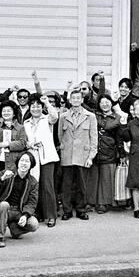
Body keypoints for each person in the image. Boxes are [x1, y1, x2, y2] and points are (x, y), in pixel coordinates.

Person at [59, 89, 98, 221]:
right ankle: (67, 210)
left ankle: (81, 209)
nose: (75, 100)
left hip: (83, 154)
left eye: (78, 98)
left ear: (82, 100)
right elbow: (60, 135)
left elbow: (94, 137)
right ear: (70, 100)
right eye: (73, 98)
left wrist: (91, 156)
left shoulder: (90, 116)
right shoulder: (63, 116)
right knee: (67, 184)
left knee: (82, 184)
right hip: (67, 154)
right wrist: (64, 147)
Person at [0, 152, 39, 247]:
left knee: (34, 224)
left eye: (27, 161)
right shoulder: (6, 173)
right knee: (4, 204)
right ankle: (0, 236)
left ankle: (15, 229)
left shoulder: (33, 182)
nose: (24, 163)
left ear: (31, 165)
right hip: (5, 209)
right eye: (22, 160)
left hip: (19, 211)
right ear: (17, 162)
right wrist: (2, 179)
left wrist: (25, 215)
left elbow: (32, 202)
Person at [24, 94, 59, 227]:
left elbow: (55, 116)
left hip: (47, 156)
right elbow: (24, 139)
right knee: (34, 185)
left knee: (47, 186)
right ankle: (37, 213)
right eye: (33, 106)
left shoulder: (47, 119)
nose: (36, 109)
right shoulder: (26, 123)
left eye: (38, 106)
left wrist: (47, 104)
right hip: (33, 156)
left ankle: (51, 215)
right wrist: (29, 145)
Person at [92, 94, 122, 214]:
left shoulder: (118, 117)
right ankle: (93, 201)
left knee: (107, 177)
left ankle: (104, 203)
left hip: (109, 149)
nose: (105, 104)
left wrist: (122, 154)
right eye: (102, 102)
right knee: (94, 178)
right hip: (95, 149)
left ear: (111, 103)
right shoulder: (94, 115)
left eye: (107, 101)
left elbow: (119, 136)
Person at [0, 101, 28, 183]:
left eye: (9, 111)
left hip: (11, 160)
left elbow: (23, 143)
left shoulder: (20, 127)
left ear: (14, 113)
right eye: (4, 111)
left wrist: (9, 144)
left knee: (8, 183)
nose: (6, 113)